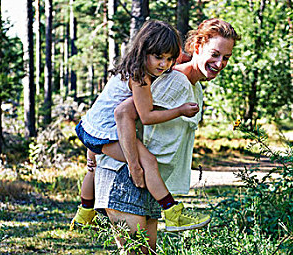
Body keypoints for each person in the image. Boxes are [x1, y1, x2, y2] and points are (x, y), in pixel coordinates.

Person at [96, 18, 240, 255]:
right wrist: (134, 166)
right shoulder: (173, 80)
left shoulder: (193, 86)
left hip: (148, 180)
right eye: (215, 54)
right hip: (127, 175)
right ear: (197, 46)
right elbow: (122, 114)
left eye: (226, 58)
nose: (220, 63)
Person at [71, 20, 210, 232]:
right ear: (144, 50)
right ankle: (172, 212)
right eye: (158, 57)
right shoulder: (140, 77)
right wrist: (179, 110)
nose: (163, 65)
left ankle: (84, 212)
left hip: (91, 126)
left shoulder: (131, 68)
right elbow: (146, 116)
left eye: (169, 59)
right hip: (106, 132)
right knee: (149, 162)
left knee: (92, 168)